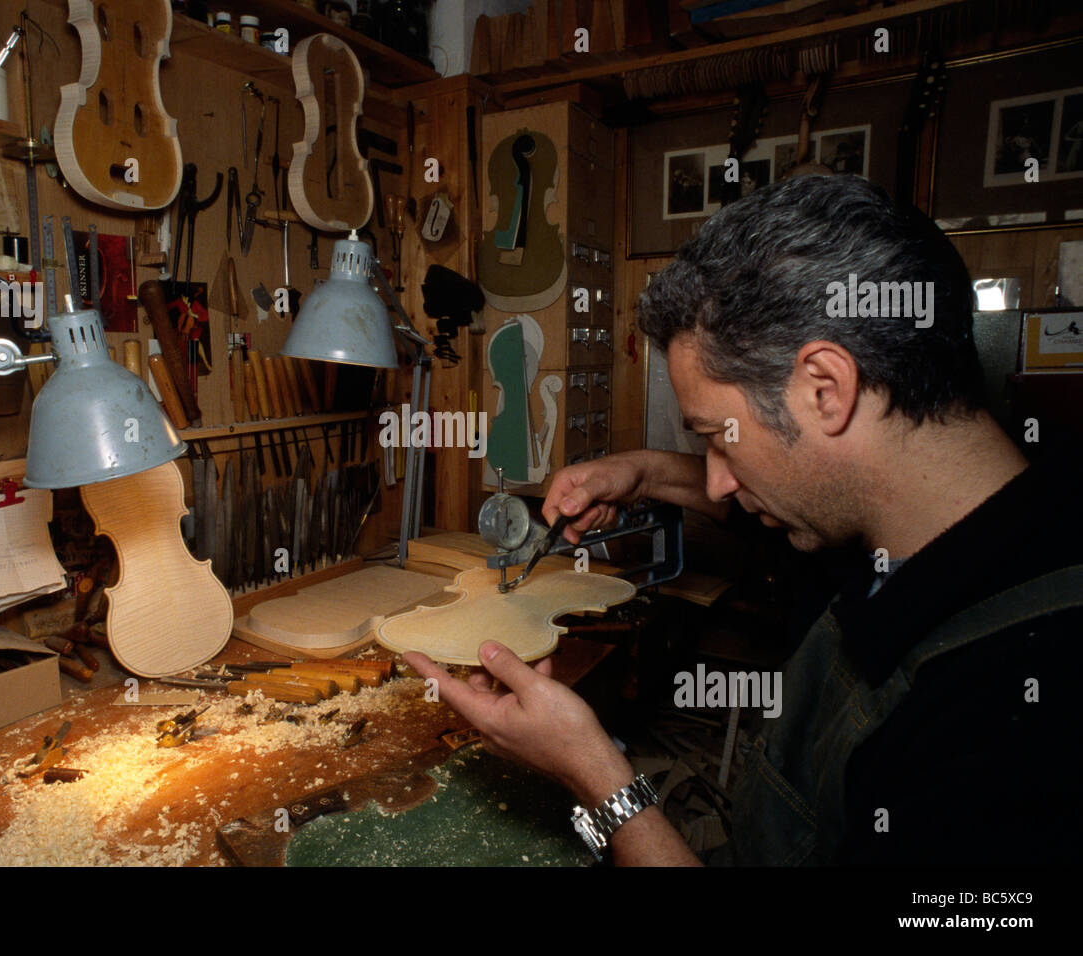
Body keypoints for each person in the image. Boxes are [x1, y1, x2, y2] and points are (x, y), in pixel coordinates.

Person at [406, 174, 1082, 865]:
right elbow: (788, 498)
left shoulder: (1018, 724)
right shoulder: (933, 525)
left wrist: (594, 774)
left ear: (826, 389)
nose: (717, 479)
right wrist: (644, 472)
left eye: (719, 437)